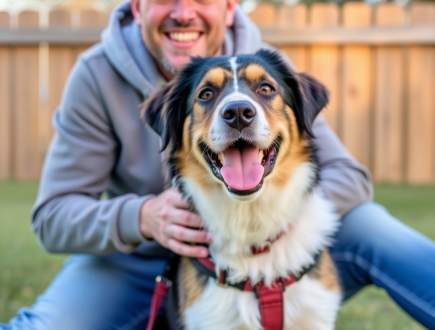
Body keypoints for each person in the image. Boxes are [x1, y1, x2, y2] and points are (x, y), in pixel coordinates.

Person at [2, 0, 435, 329]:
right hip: (137, 255)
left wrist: (281, 213)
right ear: (137, 7)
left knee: (373, 225)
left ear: (229, 7)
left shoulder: (268, 73)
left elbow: (350, 178)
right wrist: (143, 217)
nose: (183, 12)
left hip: (277, 238)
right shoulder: (95, 75)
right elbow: (52, 217)